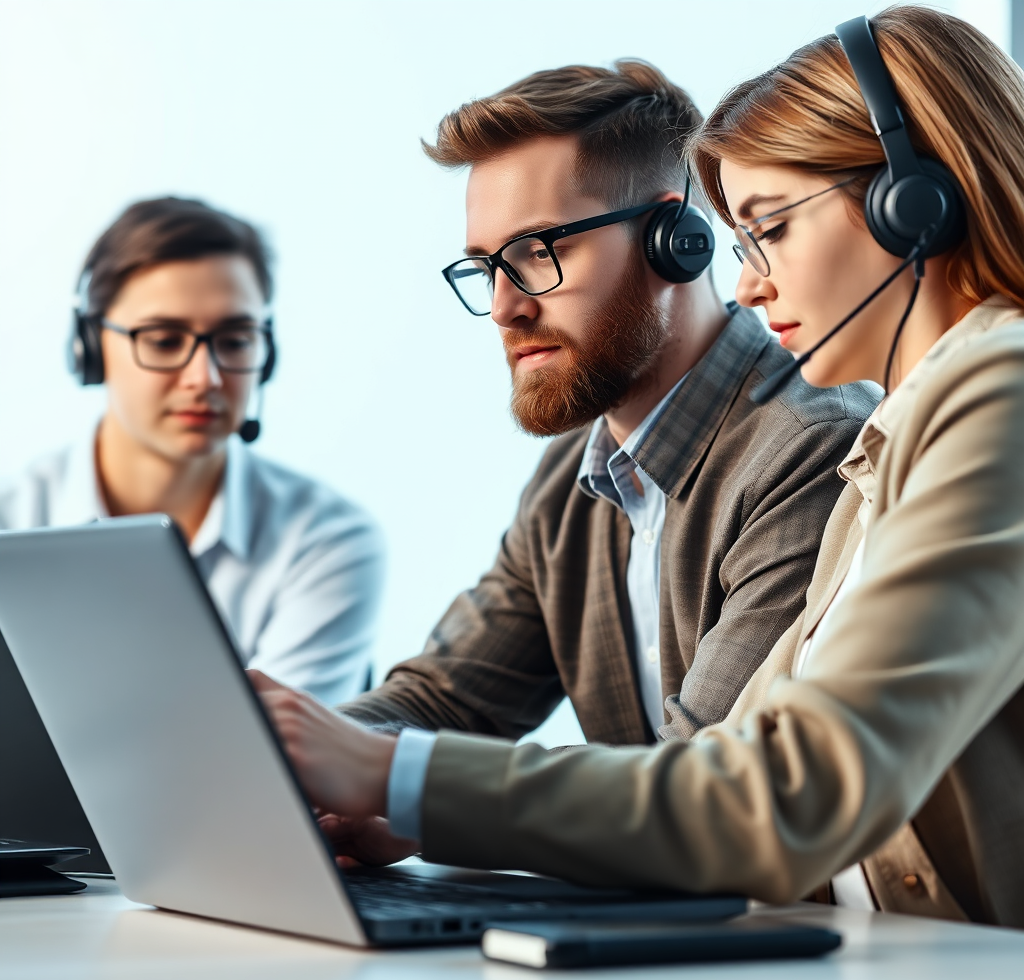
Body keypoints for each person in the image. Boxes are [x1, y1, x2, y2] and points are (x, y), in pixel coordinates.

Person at [255, 6, 1024, 929]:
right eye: (744, 241)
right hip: (872, 967)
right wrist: (332, 770)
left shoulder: (937, 412)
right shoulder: (886, 442)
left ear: (914, 206)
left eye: (770, 229)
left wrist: (392, 778)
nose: (749, 279)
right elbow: (467, 698)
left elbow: (769, 797)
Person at [258, 63, 877, 860]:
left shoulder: (812, 448)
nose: (506, 307)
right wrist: (292, 756)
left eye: (537, 252)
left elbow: (701, 785)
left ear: (673, 242)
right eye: (487, 267)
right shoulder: (571, 482)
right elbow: (448, 697)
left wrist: (407, 789)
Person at [0, 198, 384, 704]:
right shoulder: (12, 520)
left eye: (235, 340)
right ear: (90, 349)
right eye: (163, 341)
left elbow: (273, 766)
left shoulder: (325, 542)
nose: (206, 378)